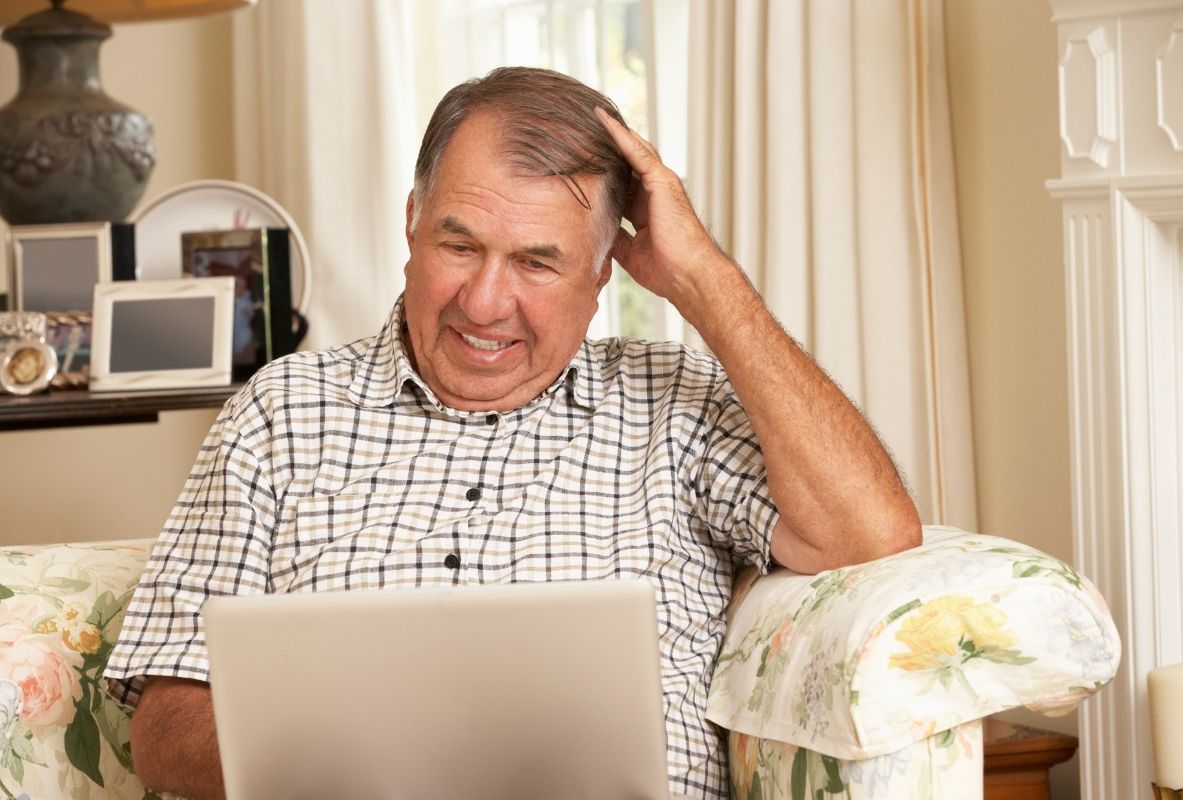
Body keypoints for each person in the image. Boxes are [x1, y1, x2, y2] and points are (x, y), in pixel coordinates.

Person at [104, 67, 922, 800]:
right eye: (459, 244)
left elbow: (869, 531)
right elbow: (167, 728)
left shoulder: (675, 401)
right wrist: (371, 764)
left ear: (605, 271)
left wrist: (703, 278)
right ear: (413, 221)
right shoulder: (280, 414)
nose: (486, 302)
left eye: (537, 263)